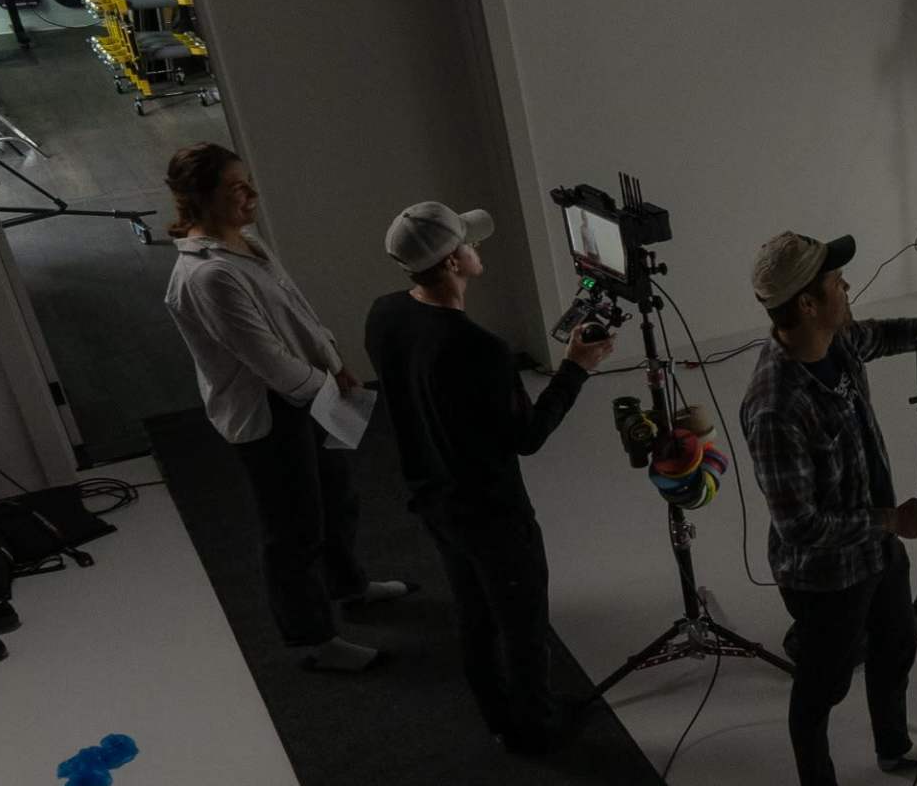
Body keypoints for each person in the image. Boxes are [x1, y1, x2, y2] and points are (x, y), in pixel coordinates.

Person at [365, 202, 614, 751]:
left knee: (475, 615)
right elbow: (527, 435)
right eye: (470, 244)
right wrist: (577, 367)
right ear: (454, 262)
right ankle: (536, 728)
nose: (479, 250)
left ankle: (499, 716)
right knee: (522, 625)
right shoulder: (478, 349)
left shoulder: (384, 314)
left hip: (433, 499)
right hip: (491, 513)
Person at [162, 142, 409, 671]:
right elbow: (267, 361)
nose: (252, 194)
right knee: (293, 530)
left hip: (308, 391)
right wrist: (326, 387)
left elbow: (296, 311)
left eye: (248, 181)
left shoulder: (248, 244)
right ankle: (313, 641)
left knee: (337, 498)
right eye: (236, 188)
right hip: (272, 413)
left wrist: (333, 359)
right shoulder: (209, 275)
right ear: (201, 199)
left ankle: (350, 587)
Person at [738, 230, 917, 786]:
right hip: (825, 574)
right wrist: (889, 522)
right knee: (822, 685)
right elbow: (801, 526)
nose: (846, 287)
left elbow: (887, 334)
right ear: (804, 305)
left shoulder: (837, 339)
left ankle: (893, 744)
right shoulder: (774, 406)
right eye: (834, 283)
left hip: (876, 548)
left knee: (898, 640)